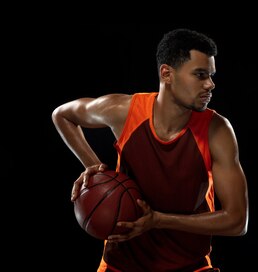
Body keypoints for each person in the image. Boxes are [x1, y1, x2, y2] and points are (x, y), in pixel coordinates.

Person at [51, 28, 248, 272]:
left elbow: (237, 221)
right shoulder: (124, 111)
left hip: (189, 264)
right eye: (200, 75)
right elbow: (62, 115)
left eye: (211, 75)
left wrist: (158, 220)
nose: (210, 84)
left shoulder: (217, 130)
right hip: (120, 264)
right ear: (167, 74)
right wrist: (93, 167)